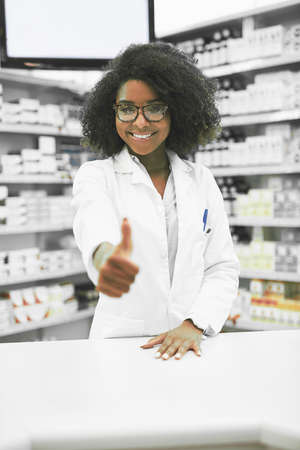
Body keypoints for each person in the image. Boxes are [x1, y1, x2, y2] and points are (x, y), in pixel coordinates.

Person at [72, 42, 239, 361]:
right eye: (126, 108)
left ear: (175, 110)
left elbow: (222, 265)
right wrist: (106, 258)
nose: (140, 122)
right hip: (121, 348)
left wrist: (196, 323)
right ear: (112, 112)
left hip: (190, 344)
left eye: (154, 107)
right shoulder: (96, 176)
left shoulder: (200, 179)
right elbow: (94, 224)